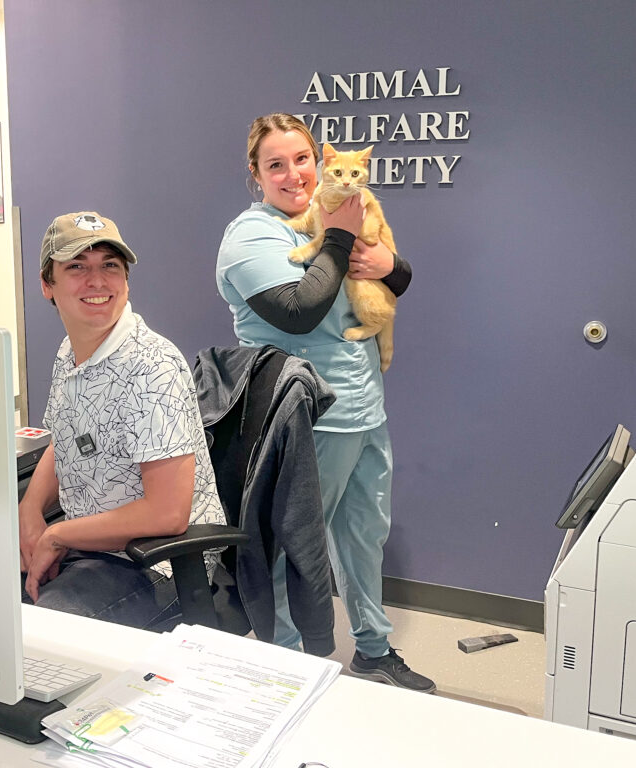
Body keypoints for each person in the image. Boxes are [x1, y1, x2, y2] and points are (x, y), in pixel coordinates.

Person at [216, 113, 435, 693]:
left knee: (364, 535)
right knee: (293, 548)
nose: (294, 175)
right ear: (256, 174)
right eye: (276, 165)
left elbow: (392, 278)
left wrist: (394, 267)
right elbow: (299, 309)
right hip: (303, 418)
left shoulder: (338, 211)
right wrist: (338, 235)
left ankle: (373, 647)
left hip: (365, 409)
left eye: (303, 159)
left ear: (321, 160)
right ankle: (288, 667)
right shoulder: (252, 236)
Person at [19, 211, 225, 631]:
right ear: (47, 285)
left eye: (110, 266)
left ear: (126, 282)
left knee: (37, 636)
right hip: (90, 548)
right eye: (77, 267)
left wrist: (58, 536)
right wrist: (30, 511)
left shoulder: (152, 368)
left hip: (157, 565)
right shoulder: (69, 353)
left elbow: (168, 515)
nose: (97, 281)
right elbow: (67, 440)